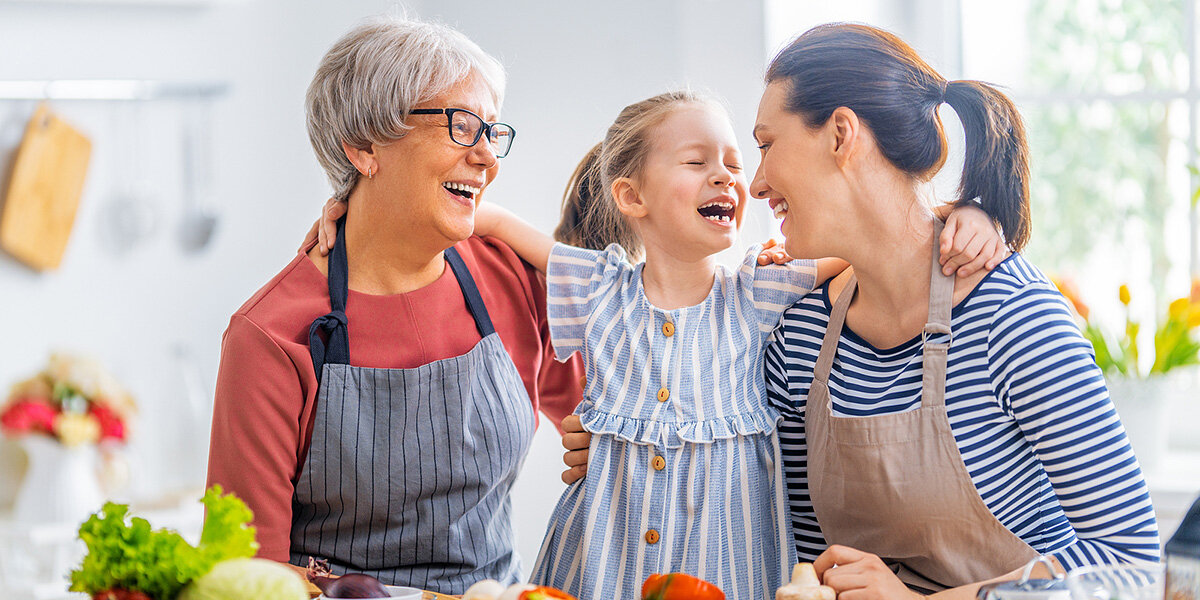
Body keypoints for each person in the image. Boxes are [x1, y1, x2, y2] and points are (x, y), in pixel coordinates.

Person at [330, 89, 1000, 599]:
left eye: (736, 164)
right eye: (697, 161)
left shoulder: (758, 291)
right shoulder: (598, 288)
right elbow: (489, 221)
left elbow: (883, 241)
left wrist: (959, 214)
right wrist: (350, 203)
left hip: (728, 562)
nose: (729, 178)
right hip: (603, 562)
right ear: (632, 196)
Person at [751, 23, 1159, 599]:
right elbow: (810, 562)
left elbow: (1131, 566)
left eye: (767, 144)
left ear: (841, 133)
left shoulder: (1013, 319)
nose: (757, 181)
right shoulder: (802, 337)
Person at [206, 17, 583, 594]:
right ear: (363, 145)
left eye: (491, 130)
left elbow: (638, 402)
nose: (487, 156)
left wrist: (606, 437)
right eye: (461, 126)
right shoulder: (269, 336)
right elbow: (242, 579)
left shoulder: (509, 276)